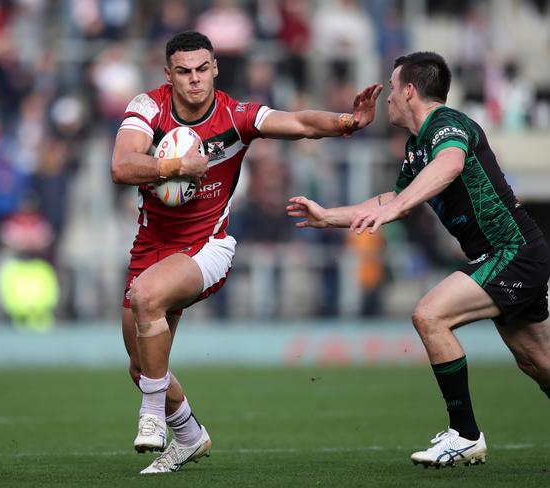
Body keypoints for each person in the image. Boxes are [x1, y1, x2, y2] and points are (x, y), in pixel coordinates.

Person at [111, 31, 382, 474]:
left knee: (146, 299)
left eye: (202, 69)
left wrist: (345, 122)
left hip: (207, 247)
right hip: (151, 246)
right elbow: (121, 166)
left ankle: (152, 417)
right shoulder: (147, 107)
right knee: (141, 368)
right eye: (183, 72)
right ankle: (190, 436)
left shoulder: (237, 115)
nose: (194, 80)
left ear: (215, 68)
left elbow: (298, 124)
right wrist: (176, 166)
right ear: (168, 74)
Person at [287, 51, 550, 468]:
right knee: (538, 362)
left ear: (410, 91)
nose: (388, 99)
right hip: (510, 254)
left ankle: (464, 434)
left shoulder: (447, 126)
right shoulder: (417, 145)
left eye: (392, 89)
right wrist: (328, 217)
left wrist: (392, 211)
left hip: (513, 252)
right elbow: (395, 200)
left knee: (430, 315)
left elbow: (449, 165)